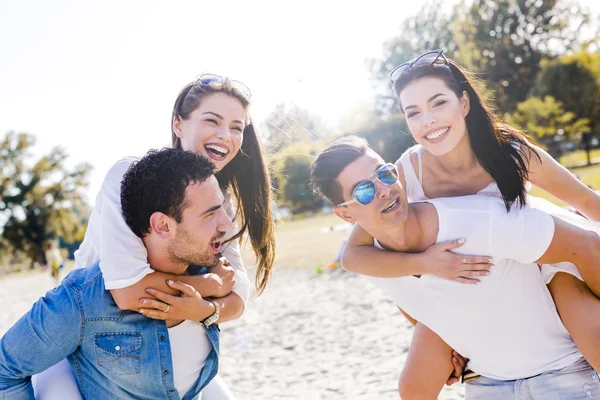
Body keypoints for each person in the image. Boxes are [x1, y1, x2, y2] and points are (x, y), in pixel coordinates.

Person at [340, 50, 600, 397]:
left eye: (438, 103)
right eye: (413, 113)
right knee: (413, 385)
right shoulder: (404, 171)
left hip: (538, 261)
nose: (428, 120)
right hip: (462, 279)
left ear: (464, 103)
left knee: (589, 329)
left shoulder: (510, 152)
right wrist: (426, 268)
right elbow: (355, 255)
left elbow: (584, 200)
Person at [32, 75, 276, 399]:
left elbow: (237, 300)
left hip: (163, 359)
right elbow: (128, 291)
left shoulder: (222, 204)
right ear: (178, 124)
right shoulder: (131, 178)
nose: (225, 135)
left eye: (236, 126)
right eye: (212, 121)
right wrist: (209, 287)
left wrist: (201, 310)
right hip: (87, 343)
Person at [309, 136, 600, 399]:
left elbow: (586, 241)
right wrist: (452, 339)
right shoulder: (370, 258)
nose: (383, 189)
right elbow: (407, 294)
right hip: (493, 378)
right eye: (364, 191)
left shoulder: (486, 197)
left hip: (557, 282)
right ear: (345, 213)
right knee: (411, 388)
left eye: (384, 174)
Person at [0, 148, 236, 399]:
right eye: (210, 214)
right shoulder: (84, 299)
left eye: (221, 209)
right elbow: (6, 370)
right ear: (162, 225)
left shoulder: (214, 271)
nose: (227, 225)